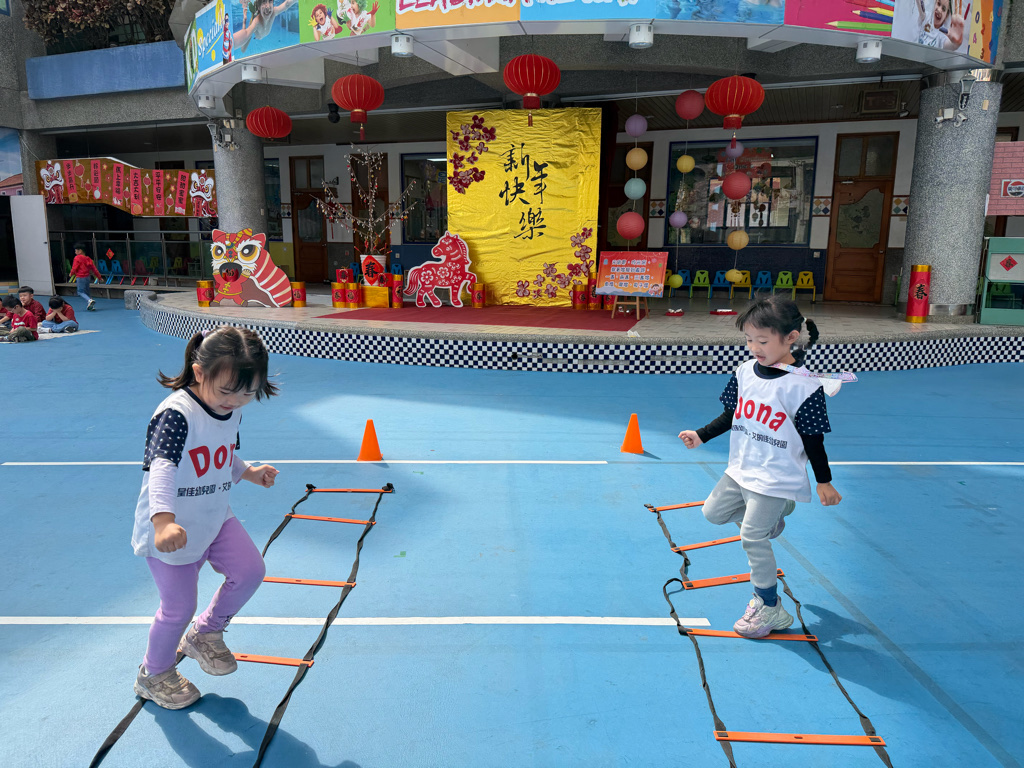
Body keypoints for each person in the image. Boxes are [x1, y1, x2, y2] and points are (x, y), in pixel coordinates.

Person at [131, 327, 280, 709]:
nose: (236, 401)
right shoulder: (177, 414)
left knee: (250, 571)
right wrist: (163, 522)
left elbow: (221, 451)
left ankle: (205, 632)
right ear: (199, 372)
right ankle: (153, 673)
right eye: (228, 391)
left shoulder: (229, 410)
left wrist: (247, 472)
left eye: (247, 393)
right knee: (178, 608)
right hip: (174, 529)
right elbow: (161, 468)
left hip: (214, 517)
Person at [678, 295, 841, 639]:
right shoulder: (744, 372)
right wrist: (701, 435)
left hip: (775, 477)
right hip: (742, 467)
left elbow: (813, 440)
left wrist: (824, 481)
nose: (754, 348)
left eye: (762, 341)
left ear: (791, 337)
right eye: (749, 340)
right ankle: (778, 513)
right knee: (713, 513)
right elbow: (731, 414)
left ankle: (770, 607)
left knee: (752, 537)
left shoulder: (804, 387)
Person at [233, 0, 297, 54]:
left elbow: (287, 4)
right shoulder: (256, 21)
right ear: (259, 7)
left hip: (258, 12)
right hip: (255, 26)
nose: (268, 6)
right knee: (243, 49)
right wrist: (230, 42)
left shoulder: (274, 12)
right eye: (264, 1)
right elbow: (246, 33)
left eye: (270, 1)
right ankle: (245, 19)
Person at [69, 242, 102, 311]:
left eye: (76, 250)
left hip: (80, 277)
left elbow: (74, 267)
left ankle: (89, 300)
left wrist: (71, 273)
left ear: (80, 251)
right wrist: (99, 277)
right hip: (87, 277)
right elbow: (94, 269)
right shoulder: (88, 259)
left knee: (80, 292)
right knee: (87, 292)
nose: (75, 252)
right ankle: (91, 305)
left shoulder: (77, 258)